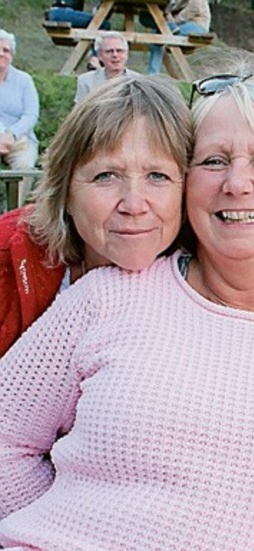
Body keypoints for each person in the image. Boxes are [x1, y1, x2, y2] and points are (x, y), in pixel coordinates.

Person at [0, 68, 254, 549]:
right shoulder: (108, 297)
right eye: (214, 161)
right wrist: (50, 530)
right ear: (186, 182)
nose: (237, 183)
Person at [0, 74, 190, 358]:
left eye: (157, 176)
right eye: (106, 176)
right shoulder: (8, 253)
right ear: (64, 192)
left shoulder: (211, 287)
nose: (134, 204)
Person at [0, 29, 39, 207]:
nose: (1, 54)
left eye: (6, 50)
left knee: (24, 166)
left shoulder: (24, 80)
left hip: (19, 139)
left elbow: (31, 114)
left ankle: (14, 212)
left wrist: (11, 135)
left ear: (12, 55)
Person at [146, 0, 210, 75]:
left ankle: (153, 74)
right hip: (181, 24)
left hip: (197, 25)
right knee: (156, 35)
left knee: (159, 35)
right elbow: (173, 5)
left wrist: (175, 20)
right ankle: (153, 74)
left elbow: (195, 8)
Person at [75, 32, 140, 103]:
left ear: (126, 54)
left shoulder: (139, 81)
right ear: (100, 56)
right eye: (109, 51)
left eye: (119, 51)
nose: (115, 55)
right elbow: (81, 112)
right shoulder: (86, 81)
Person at [45, 0, 110, 70]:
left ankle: (95, 60)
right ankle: (95, 61)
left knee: (99, 24)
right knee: (102, 25)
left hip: (60, 13)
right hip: (61, 13)